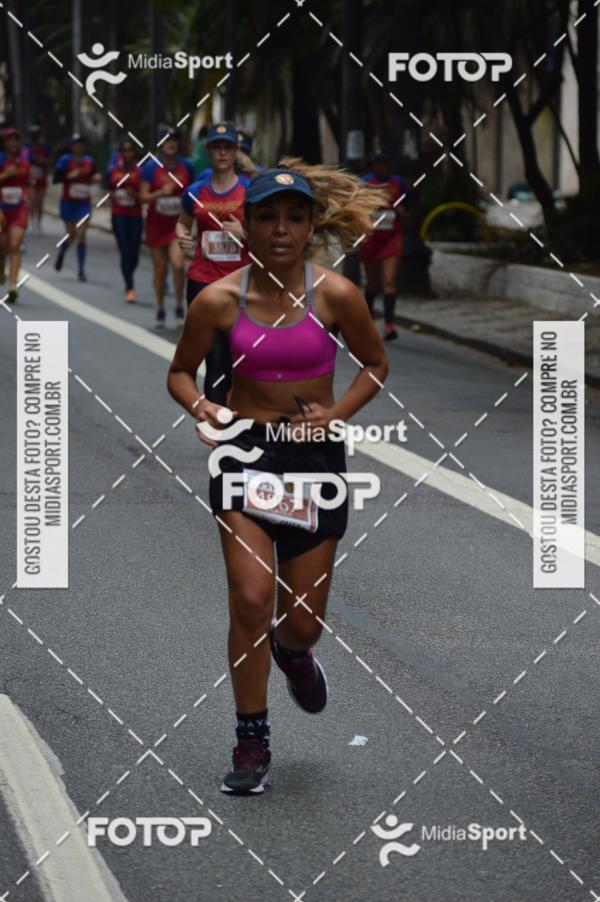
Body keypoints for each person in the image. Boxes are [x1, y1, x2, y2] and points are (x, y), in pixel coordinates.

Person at [167, 163, 389, 795]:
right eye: (267, 216)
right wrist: (204, 406)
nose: (281, 229)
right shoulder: (218, 300)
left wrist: (336, 415)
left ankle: (293, 654)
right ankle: (250, 739)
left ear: (312, 225)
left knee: (302, 623)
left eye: (294, 217)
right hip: (244, 456)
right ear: (247, 224)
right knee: (250, 600)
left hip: (315, 462)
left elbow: (375, 363)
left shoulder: (336, 295)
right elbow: (180, 373)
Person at [176, 122, 252, 404]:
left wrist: (243, 233)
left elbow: (267, 236)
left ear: (236, 151)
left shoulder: (251, 191)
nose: (222, 153)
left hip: (241, 282)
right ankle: (218, 427)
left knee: (240, 356)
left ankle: (238, 413)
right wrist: (184, 238)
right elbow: (182, 223)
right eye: (217, 147)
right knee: (215, 356)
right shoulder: (194, 191)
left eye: (228, 147)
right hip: (203, 281)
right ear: (208, 151)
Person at [140, 128, 194, 327]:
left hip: (177, 225)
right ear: (160, 144)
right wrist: (160, 193)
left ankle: (180, 305)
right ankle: (161, 308)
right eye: (166, 140)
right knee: (160, 270)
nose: (171, 144)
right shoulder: (151, 168)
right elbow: (142, 197)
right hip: (156, 225)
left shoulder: (187, 167)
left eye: (174, 140)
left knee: (179, 265)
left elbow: (193, 193)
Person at [359, 149, 407, 341]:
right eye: (377, 162)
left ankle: (389, 324)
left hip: (392, 237)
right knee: (372, 283)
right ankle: (368, 321)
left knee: (389, 281)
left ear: (389, 164)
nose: (380, 166)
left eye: (383, 162)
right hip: (371, 238)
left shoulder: (398, 183)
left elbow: (406, 206)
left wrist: (401, 210)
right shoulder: (365, 183)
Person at [53, 133, 100, 281]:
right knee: (71, 235)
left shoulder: (89, 161)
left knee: (81, 235)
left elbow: (96, 175)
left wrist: (97, 178)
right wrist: (69, 177)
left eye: (81, 143)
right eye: (76, 144)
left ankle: (81, 270)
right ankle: (63, 251)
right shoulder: (65, 160)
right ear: (72, 146)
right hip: (68, 202)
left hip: (83, 204)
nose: (79, 146)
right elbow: (56, 179)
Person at [106, 138, 143, 303]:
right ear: (121, 153)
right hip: (119, 214)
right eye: (125, 151)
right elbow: (108, 190)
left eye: (131, 150)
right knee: (125, 250)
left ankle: (130, 273)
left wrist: (135, 195)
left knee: (134, 252)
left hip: (135, 215)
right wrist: (114, 195)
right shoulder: (113, 170)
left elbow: (144, 194)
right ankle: (130, 286)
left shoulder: (140, 171)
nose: (128, 154)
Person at [0, 127, 31, 303]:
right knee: (2, 247)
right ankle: (1, 266)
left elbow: (28, 183)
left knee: (15, 245)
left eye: (16, 140)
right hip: (1, 208)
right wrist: (6, 175)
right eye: (9, 140)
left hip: (18, 208)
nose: (13, 143)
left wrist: (27, 200)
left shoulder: (25, 160)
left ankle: (13, 286)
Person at [26, 125, 51, 232]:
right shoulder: (27, 147)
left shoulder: (44, 147)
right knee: (32, 200)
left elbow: (49, 161)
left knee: (40, 201)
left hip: (42, 177)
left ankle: (39, 222)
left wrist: (42, 161)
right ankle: (32, 222)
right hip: (31, 177)